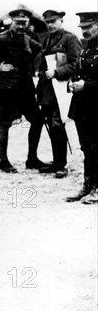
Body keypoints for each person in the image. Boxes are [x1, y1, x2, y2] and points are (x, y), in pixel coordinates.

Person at [0, 8, 47, 173]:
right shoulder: (1, 39)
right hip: (7, 88)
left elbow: (40, 50)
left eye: (24, 23)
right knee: (5, 123)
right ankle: (4, 161)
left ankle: (32, 159)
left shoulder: (28, 39)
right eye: (18, 23)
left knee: (37, 120)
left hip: (26, 88)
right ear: (11, 22)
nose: (21, 26)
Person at [36, 10, 82, 178]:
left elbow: (76, 64)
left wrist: (56, 72)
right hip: (48, 91)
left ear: (61, 20)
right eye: (48, 22)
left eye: (54, 21)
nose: (50, 25)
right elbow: (42, 67)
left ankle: (61, 165)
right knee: (52, 127)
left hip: (62, 90)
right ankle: (57, 162)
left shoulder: (70, 39)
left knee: (58, 125)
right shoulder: (47, 40)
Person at [66, 12, 98, 204]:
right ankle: (88, 185)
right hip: (82, 107)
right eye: (82, 28)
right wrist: (73, 83)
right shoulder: (85, 48)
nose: (84, 31)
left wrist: (86, 86)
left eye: (88, 27)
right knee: (86, 148)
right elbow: (79, 71)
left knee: (97, 147)